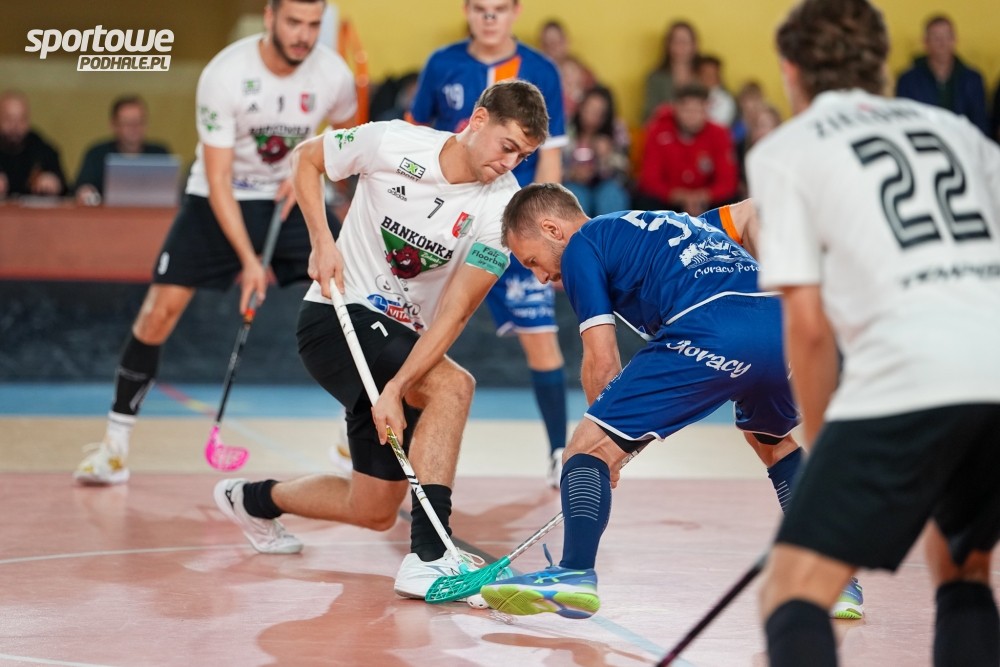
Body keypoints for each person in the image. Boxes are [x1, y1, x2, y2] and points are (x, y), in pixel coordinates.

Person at [213, 80, 549, 599]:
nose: (510, 163)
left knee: (372, 508)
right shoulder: (392, 141)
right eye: (508, 147)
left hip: (402, 345)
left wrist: (397, 388)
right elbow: (306, 159)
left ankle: (251, 499)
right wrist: (322, 241)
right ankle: (430, 559)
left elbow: (456, 312)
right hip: (337, 317)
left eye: (523, 156)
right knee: (453, 387)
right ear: (479, 120)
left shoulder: (501, 210)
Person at [478, 184, 867, 620]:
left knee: (585, 451)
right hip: (783, 326)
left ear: (553, 229)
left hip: (709, 324)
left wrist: (606, 449)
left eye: (532, 261)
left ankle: (573, 573)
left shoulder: (582, 244)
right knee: (774, 444)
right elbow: (751, 210)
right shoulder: (674, 225)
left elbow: (602, 360)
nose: (540, 277)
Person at [745, 0, 1000, 664]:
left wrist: (825, 447)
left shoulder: (787, 152)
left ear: (790, 69)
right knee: (965, 569)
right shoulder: (958, 130)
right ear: (881, 63)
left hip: (908, 370)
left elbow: (807, 327)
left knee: (793, 590)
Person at [73, 0, 358, 485]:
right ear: (270, 17)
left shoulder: (333, 74)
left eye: (313, 25)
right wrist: (249, 261)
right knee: (157, 314)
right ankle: (114, 450)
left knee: (354, 298)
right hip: (217, 199)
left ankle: (350, 441)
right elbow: (220, 178)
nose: (303, 35)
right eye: (293, 22)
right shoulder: (225, 75)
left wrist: (314, 166)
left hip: (289, 198)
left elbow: (348, 130)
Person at [408, 0, 570, 488]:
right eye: (480, 8)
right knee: (413, 329)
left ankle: (559, 452)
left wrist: (545, 232)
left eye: (499, 8)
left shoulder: (542, 71)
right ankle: (375, 433)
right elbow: (415, 138)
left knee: (541, 339)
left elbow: (550, 159)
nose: (490, 18)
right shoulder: (443, 63)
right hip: (446, 221)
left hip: (512, 223)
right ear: (467, 10)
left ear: (516, 11)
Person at [635, 82, 739, 216]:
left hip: (708, 202)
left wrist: (703, 196)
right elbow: (649, 179)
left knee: (732, 203)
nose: (692, 116)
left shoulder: (720, 134)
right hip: (668, 202)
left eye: (697, 110)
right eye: (687, 110)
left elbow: (727, 182)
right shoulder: (657, 131)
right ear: (675, 108)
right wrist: (680, 197)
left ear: (707, 108)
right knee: (645, 201)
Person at [896, 15, 989, 136]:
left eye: (947, 37)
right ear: (925, 42)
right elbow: (904, 122)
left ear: (954, 39)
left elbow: (980, 124)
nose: (942, 43)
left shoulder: (972, 79)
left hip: (963, 143)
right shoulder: (908, 80)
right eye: (936, 37)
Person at [74, 95, 171, 206]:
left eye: (139, 122)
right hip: (107, 214)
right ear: (114, 125)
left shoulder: (160, 154)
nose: (134, 128)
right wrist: (88, 195)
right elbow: (82, 189)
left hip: (152, 214)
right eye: (128, 123)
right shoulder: (96, 154)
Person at [562, 85, 631, 216]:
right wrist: (573, 173)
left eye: (599, 112)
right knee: (574, 196)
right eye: (589, 109)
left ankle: (609, 230)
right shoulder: (567, 127)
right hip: (573, 182)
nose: (592, 116)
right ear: (581, 107)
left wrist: (607, 157)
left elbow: (625, 169)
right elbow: (554, 164)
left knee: (611, 195)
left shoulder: (616, 130)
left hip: (606, 184)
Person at [0, 90, 67, 197]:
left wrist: (54, 183)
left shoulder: (41, 148)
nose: (15, 126)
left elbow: (65, 188)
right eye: (9, 119)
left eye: (21, 120)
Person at [538, 19, 596, 123]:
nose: (553, 48)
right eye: (547, 44)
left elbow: (596, 102)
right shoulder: (536, 76)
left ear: (566, 41)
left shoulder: (584, 74)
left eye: (556, 42)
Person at [642, 20, 698, 123]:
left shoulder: (704, 73)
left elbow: (721, 102)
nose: (681, 46)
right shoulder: (656, 77)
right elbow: (648, 115)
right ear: (668, 45)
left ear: (694, 45)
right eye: (676, 41)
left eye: (685, 42)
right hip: (666, 128)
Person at [696, 54, 737, 128]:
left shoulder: (725, 100)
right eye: (705, 73)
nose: (708, 77)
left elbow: (720, 125)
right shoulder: (689, 97)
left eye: (712, 74)